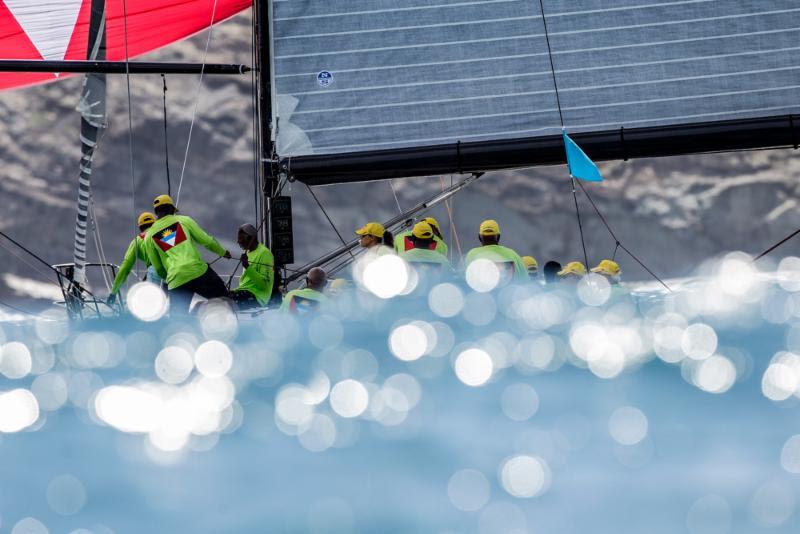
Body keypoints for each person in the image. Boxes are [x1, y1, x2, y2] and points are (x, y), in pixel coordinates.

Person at [144, 194, 231, 314]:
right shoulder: (184, 220)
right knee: (226, 302)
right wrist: (223, 252)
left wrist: (171, 277)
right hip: (197, 272)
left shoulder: (149, 236)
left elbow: (158, 268)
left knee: (178, 321)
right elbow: (207, 241)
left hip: (176, 280)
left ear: (156, 212)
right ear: (171, 209)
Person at [108, 212, 161, 304]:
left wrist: (113, 292)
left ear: (140, 227)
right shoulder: (164, 234)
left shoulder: (137, 241)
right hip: (173, 270)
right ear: (155, 224)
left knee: (151, 306)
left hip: (155, 272)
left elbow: (125, 268)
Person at [228, 223, 274, 309]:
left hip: (258, 297)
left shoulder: (265, 254)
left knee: (225, 305)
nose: (238, 242)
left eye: (241, 239)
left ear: (252, 239)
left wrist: (247, 267)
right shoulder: (248, 252)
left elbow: (265, 285)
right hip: (244, 291)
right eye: (238, 239)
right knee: (218, 298)